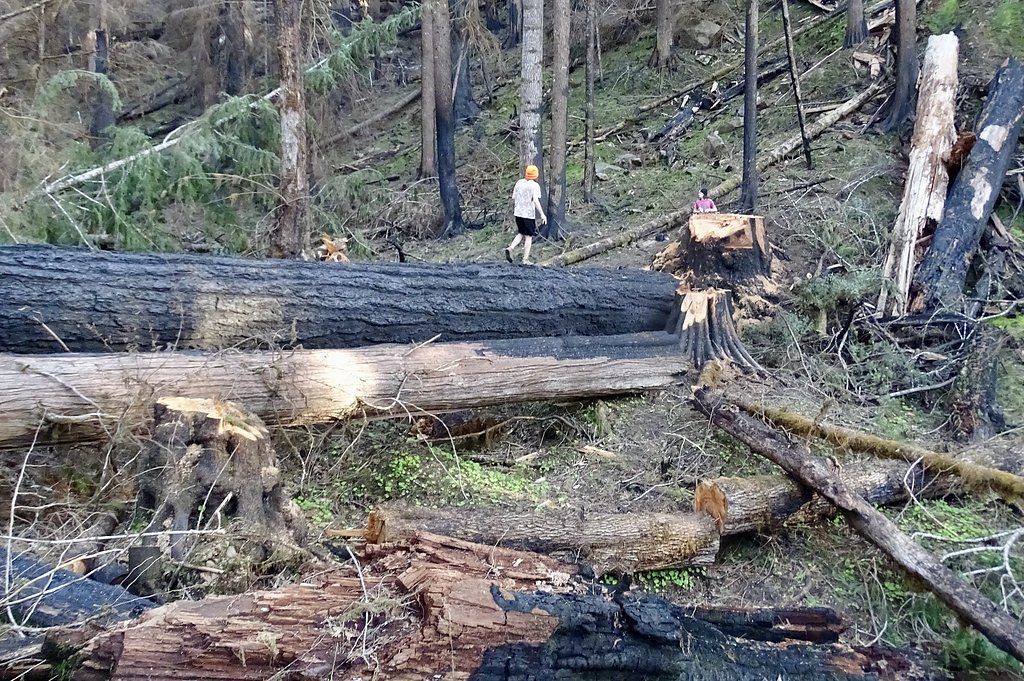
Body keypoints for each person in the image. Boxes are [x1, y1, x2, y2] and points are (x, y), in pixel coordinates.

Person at [506, 165, 547, 265]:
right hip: (528, 214)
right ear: (536, 175)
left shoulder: (519, 182)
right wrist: (542, 214)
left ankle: (511, 248)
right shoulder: (535, 186)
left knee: (521, 233)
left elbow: (514, 197)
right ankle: (525, 259)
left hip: (518, 213)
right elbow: (536, 201)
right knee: (529, 236)